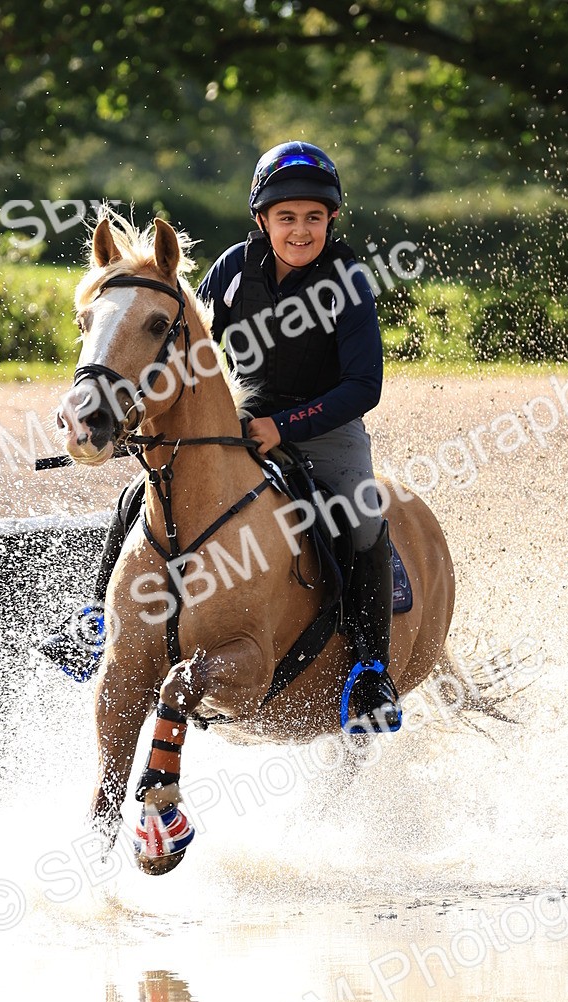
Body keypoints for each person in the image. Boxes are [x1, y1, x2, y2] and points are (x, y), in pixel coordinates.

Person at [39, 141, 401, 732]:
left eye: (314, 217)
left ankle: (371, 671)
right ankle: (96, 620)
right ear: (262, 220)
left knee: (360, 518)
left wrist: (283, 426)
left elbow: (364, 385)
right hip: (237, 418)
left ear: (332, 219)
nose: (300, 230)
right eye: (286, 217)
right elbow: (181, 349)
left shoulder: (349, 280)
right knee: (137, 496)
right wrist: (135, 416)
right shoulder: (232, 271)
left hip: (326, 430)